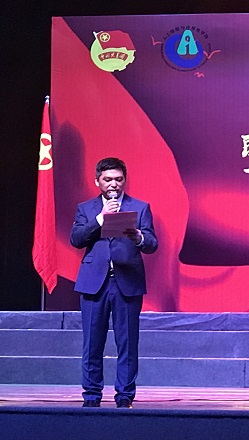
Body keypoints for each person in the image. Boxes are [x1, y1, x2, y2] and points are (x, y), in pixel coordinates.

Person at [70, 157, 158, 408]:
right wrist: (101, 218)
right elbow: (76, 239)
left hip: (126, 282)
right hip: (94, 283)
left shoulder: (139, 207)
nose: (113, 184)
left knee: (127, 343)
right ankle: (91, 395)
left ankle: (125, 396)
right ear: (97, 181)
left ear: (124, 180)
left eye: (118, 179)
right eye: (108, 179)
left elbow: (152, 244)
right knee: (92, 343)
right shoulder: (86, 209)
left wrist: (138, 237)